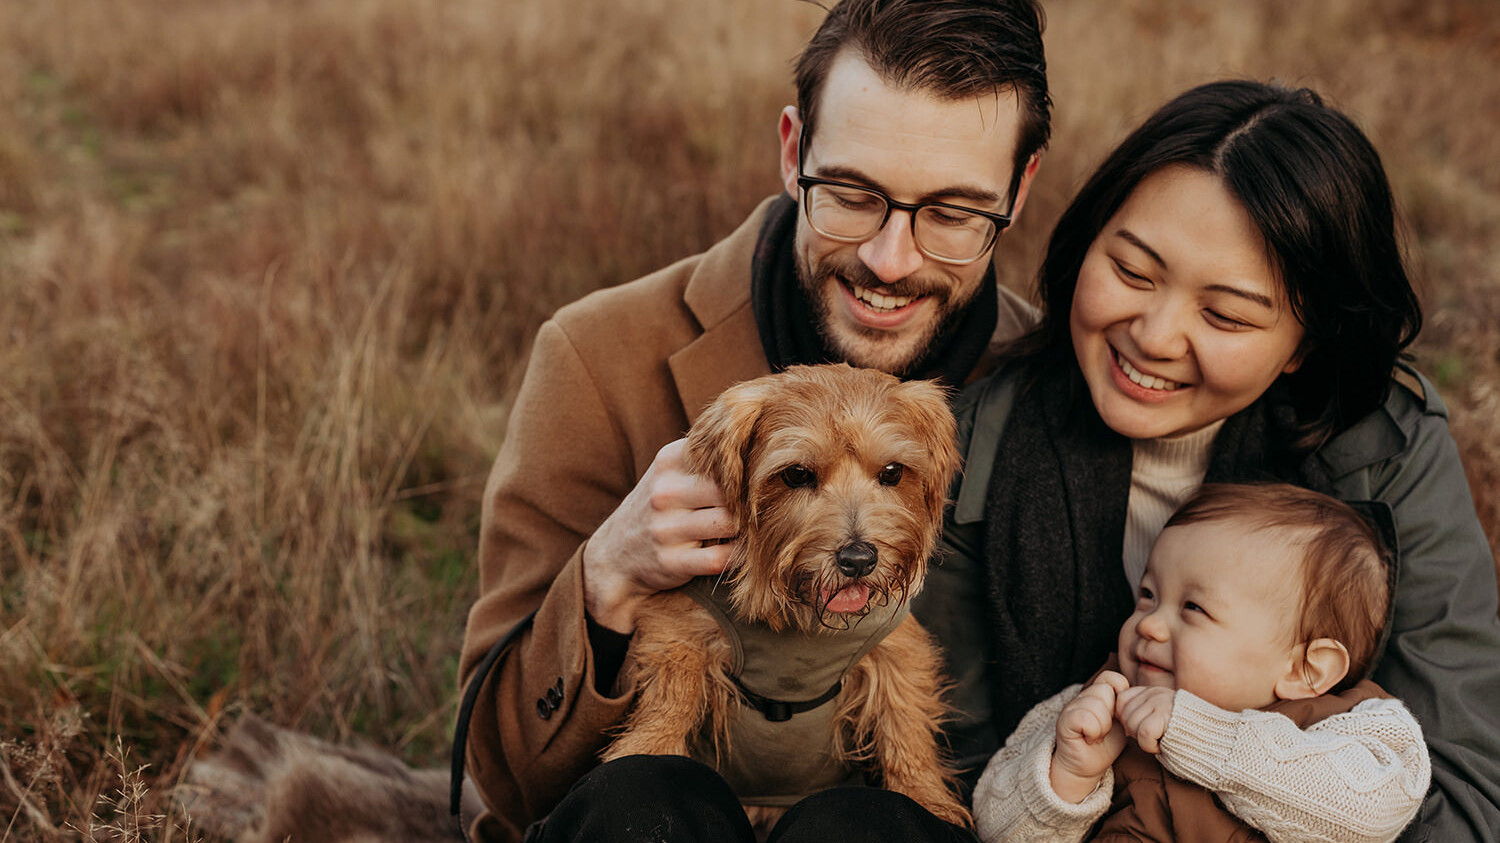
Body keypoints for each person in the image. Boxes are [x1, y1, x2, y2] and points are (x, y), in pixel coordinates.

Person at [456, 1, 1050, 840]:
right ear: (792, 150)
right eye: (849, 192)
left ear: (1019, 191)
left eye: (953, 213)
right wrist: (606, 579)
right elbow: (502, 773)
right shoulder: (597, 354)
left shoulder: (1050, 386)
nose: (890, 260)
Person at [918, 79, 1500, 841]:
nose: (1155, 335)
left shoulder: (1379, 447)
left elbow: (1461, 788)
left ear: (1305, 345)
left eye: (1224, 314)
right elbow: (957, 776)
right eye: (1131, 271)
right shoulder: (975, 448)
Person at [973, 482, 1432, 842]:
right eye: (1148, 596)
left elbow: (1374, 812)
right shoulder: (1092, 710)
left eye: (1193, 608)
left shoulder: (1355, 727)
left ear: (1304, 670)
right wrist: (1068, 775)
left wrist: (1202, 735)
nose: (1149, 625)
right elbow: (992, 826)